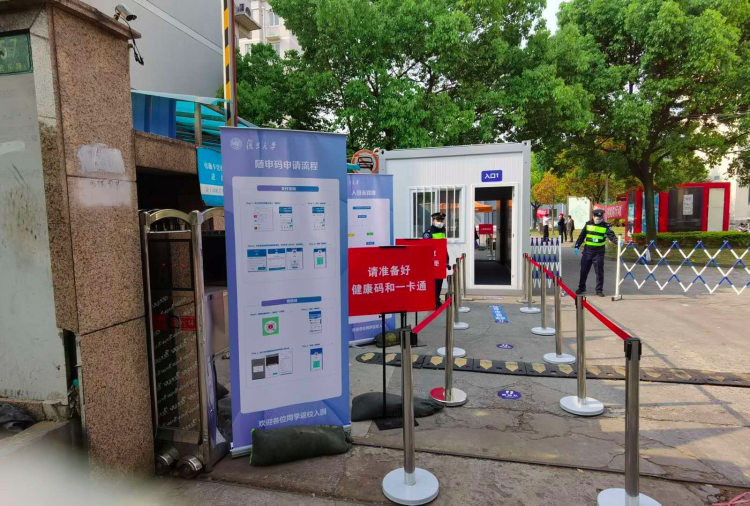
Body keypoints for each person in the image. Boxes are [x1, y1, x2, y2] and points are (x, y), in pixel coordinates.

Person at [574, 208, 618, 296]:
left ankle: (599, 290)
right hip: (587, 252)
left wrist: (617, 241)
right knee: (583, 271)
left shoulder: (606, 225)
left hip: (598, 253)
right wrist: (577, 246)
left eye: (600, 217)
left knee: (599, 272)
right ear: (593, 216)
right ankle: (581, 287)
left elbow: (611, 236)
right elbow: (582, 236)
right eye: (597, 217)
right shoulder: (588, 224)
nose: (598, 218)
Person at [423, 212, 450, 308]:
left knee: (439, 283)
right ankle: (431, 301)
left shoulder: (442, 230)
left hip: (440, 261)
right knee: (432, 283)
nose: (440, 222)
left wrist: (446, 260)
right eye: (438, 220)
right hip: (432, 262)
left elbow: (443, 248)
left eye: (442, 220)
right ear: (433, 220)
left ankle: (436, 299)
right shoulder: (428, 232)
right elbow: (426, 249)